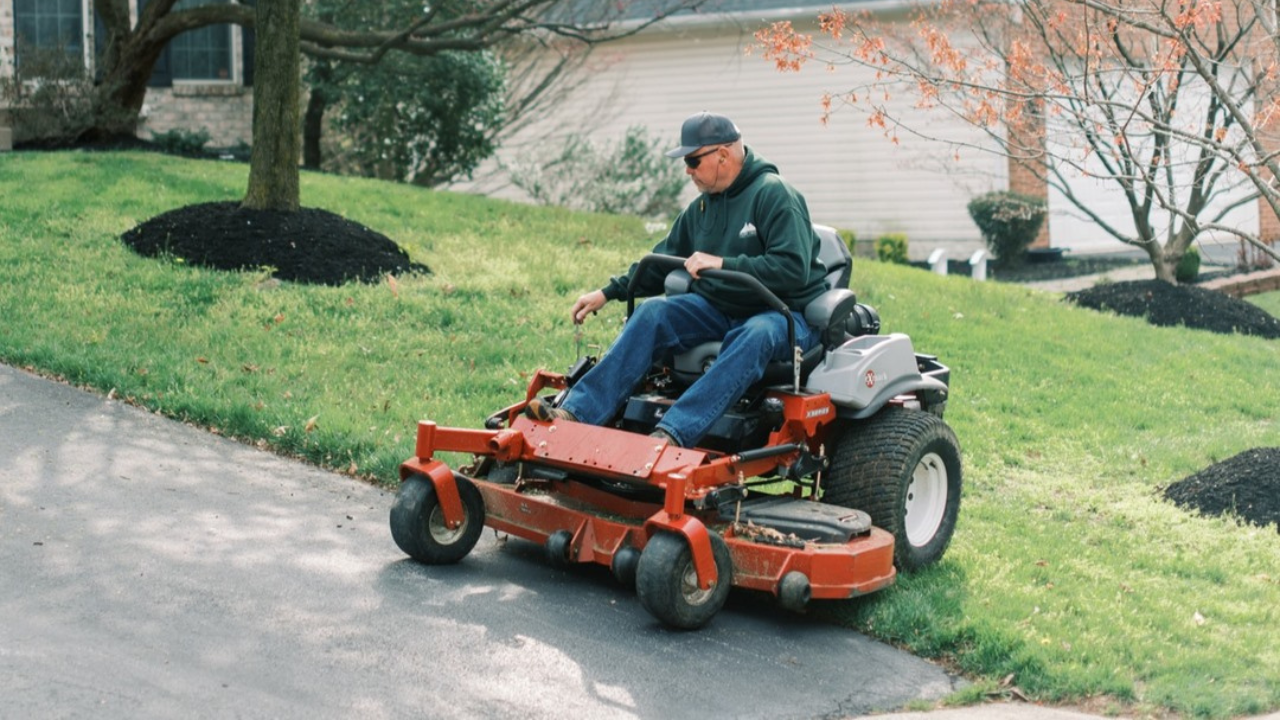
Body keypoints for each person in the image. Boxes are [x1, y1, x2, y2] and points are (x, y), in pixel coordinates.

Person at [527, 111, 828, 448]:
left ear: (723, 155)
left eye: (693, 160)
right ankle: (576, 413)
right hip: (722, 309)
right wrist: (608, 292)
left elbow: (791, 269)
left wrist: (721, 263)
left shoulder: (775, 195)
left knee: (755, 333)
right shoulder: (701, 209)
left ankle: (673, 433)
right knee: (653, 312)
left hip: (784, 315)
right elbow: (661, 262)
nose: (687, 170)